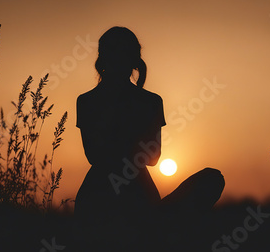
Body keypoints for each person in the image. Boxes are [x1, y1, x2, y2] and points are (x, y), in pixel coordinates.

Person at [73, 27, 224, 251]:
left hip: (107, 198)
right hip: (112, 202)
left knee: (212, 179)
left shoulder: (91, 101)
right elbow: (146, 157)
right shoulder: (144, 102)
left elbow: (101, 155)